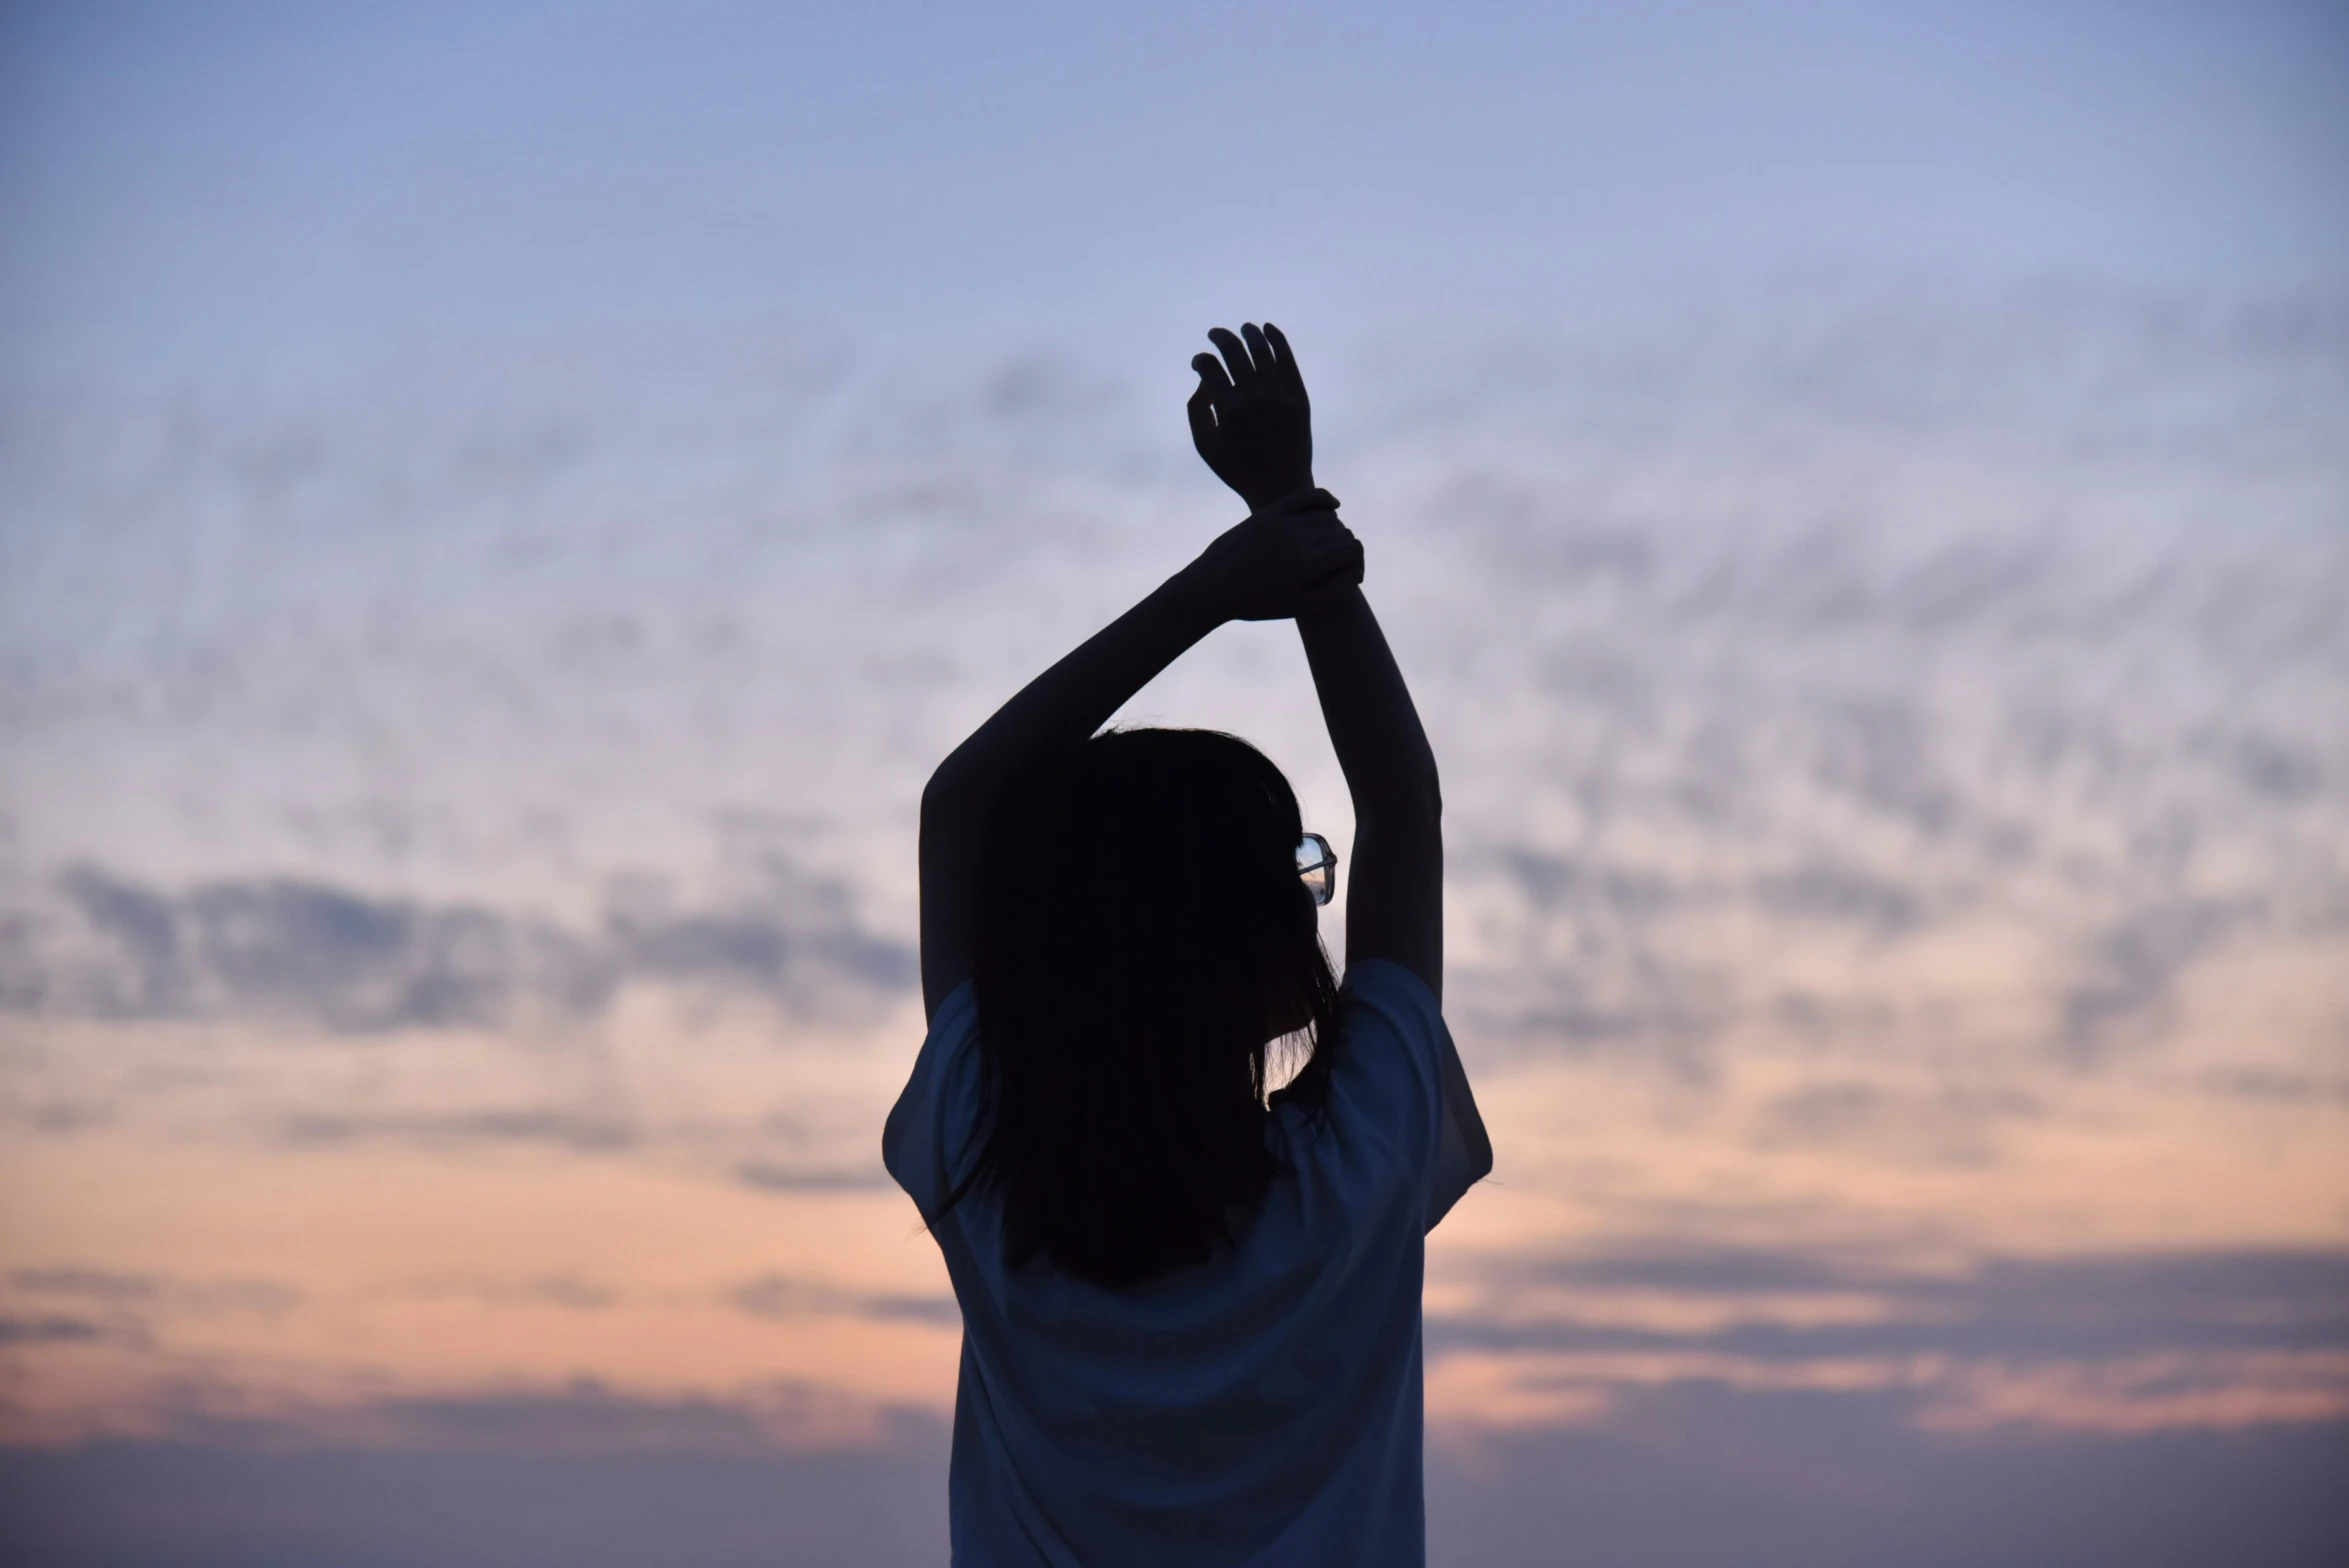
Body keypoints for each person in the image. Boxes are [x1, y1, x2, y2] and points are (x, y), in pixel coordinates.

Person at [885, 321, 1493, 1565]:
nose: (1317, 896)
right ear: (1221, 933)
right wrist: (1294, 521)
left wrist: (1220, 583)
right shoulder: (1357, 1163)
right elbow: (1403, 799)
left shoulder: (983, 1160)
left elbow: (963, 802)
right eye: (1297, 870)